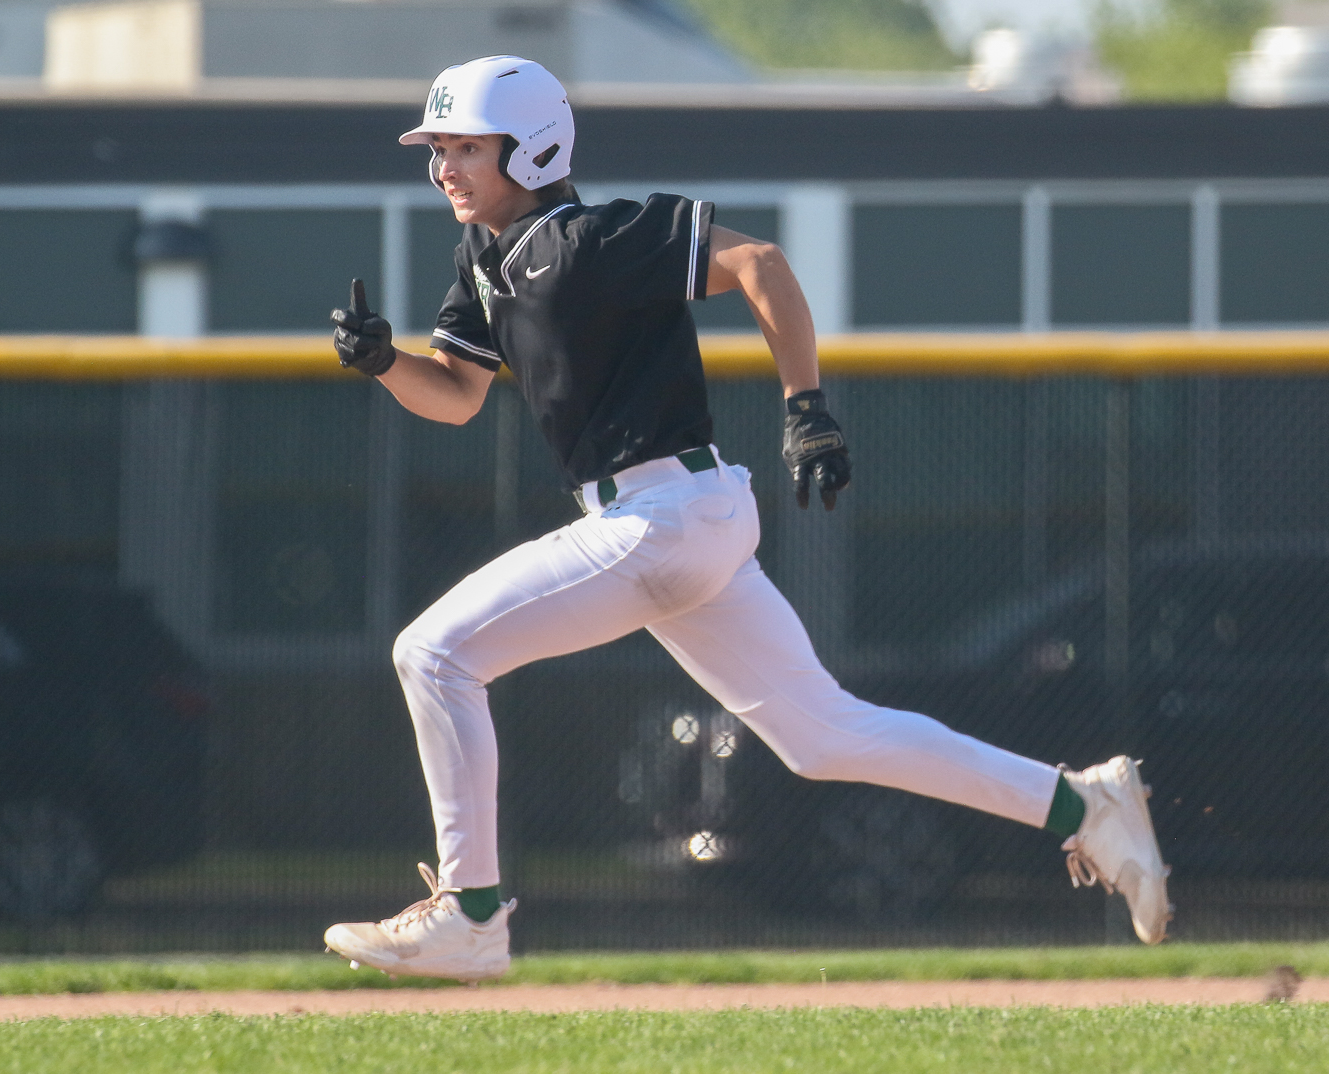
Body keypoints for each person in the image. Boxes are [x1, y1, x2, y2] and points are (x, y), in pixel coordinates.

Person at [323, 55, 1171, 982]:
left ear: (531, 148)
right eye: (437, 148)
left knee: (434, 654)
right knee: (824, 737)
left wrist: (806, 408)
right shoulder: (484, 258)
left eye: (465, 147)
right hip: (682, 519)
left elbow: (760, 263)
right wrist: (385, 363)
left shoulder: (597, 234)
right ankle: (1083, 804)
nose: (444, 167)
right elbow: (455, 396)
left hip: (662, 515)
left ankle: (472, 914)